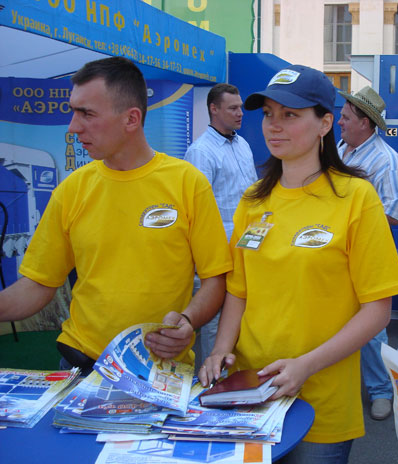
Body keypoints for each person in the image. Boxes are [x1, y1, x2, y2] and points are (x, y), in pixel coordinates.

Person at [198, 65, 398, 464]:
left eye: (290, 115)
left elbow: (377, 310)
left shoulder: (354, 198)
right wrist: (220, 350)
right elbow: (238, 292)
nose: (274, 126)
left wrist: (305, 366)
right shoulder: (253, 202)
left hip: (321, 396)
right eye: (269, 114)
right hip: (250, 392)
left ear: (325, 123)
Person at [0, 57, 232, 374]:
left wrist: (188, 320)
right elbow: (38, 285)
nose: (73, 126)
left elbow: (215, 279)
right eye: (73, 111)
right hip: (81, 365)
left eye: (87, 114)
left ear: (131, 119)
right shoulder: (71, 190)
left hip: (159, 371)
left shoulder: (187, 183)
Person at [337, 86, 398, 421]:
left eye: (346, 118)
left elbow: (392, 213)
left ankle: (381, 392)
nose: (339, 123)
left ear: (366, 123)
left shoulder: (387, 161)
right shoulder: (340, 150)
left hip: (367, 254)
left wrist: (349, 222)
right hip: (334, 251)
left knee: (372, 327)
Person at [184, 83, 257, 370]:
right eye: (233, 108)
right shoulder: (201, 152)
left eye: (240, 107)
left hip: (248, 247)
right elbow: (196, 212)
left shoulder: (243, 144)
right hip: (216, 254)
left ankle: (234, 383)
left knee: (240, 318)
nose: (240, 113)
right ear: (213, 109)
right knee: (214, 324)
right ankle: (208, 387)